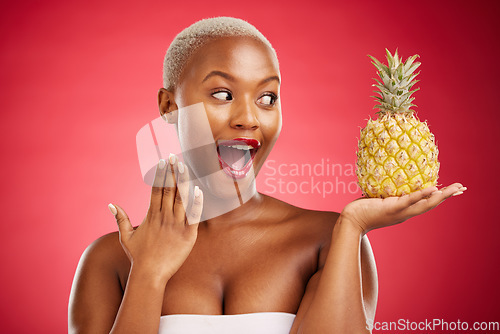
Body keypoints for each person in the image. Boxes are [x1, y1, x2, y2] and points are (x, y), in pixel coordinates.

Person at [68, 17, 466, 334]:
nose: (248, 118)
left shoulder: (328, 242)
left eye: (267, 98)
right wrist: (149, 274)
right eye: (223, 94)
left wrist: (351, 226)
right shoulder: (110, 260)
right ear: (170, 106)